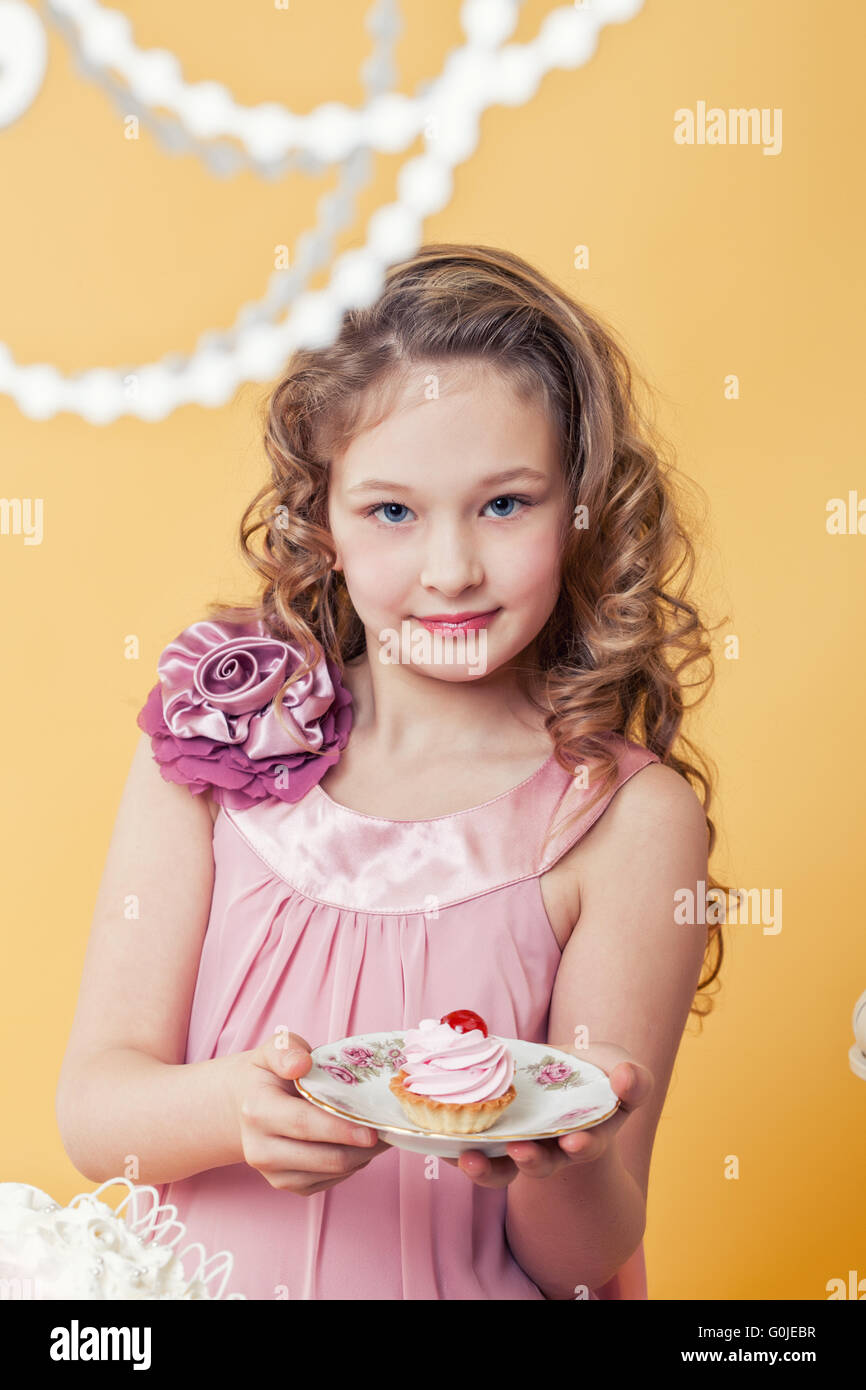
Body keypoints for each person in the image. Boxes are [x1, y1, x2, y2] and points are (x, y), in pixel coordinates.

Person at [56, 243, 727, 1300]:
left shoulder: (626, 823)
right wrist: (239, 1108)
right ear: (321, 520)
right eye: (392, 511)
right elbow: (95, 1113)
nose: (451, 569)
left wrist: (573, 1158)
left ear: (582, 503)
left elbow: (579, 1260)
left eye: (504, 504)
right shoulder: (213, 744)